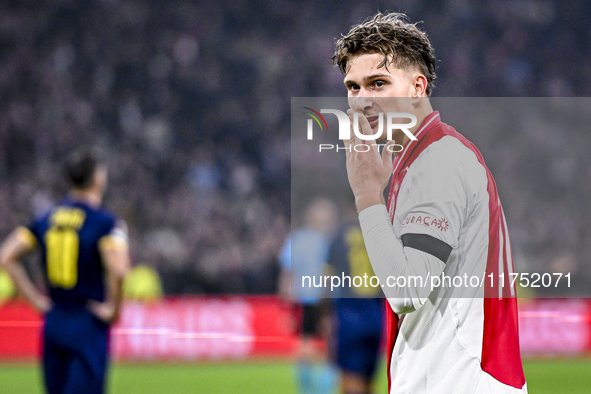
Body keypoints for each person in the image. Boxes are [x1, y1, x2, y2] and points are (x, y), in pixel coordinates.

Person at [332, 12, 527, 393]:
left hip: (459, 382)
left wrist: (366, 195)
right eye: (353, 87)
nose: (361, 101)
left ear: (417, 87)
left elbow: (407, 291)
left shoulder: (438, 160)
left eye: (378, 83)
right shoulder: (422, 160)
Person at [0, 147, 130, 394]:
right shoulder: (105, 222)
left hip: (54, 321)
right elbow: (120, 270)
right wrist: (114, 309)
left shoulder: (47, 217)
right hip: (87, 321)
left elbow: (6, 257)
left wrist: (36, 301)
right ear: (98, 179)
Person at [279, 197, 338, 394]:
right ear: (311, 216)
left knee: (329, 343)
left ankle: (322, 387)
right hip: (305, 298)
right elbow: (288, 271)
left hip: (327, 299)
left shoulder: (331, 239)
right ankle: (308, 387)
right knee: (306, 343)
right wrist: (285, 301)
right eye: (323, 213)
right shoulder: (299, 239)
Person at [327, 201, 384, 394]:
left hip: (350, 317)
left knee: (351, 379)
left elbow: (326, 281)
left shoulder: (339, 235)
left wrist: (324, 317)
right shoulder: (381, 234)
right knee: (368, 380)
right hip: (377, 317)